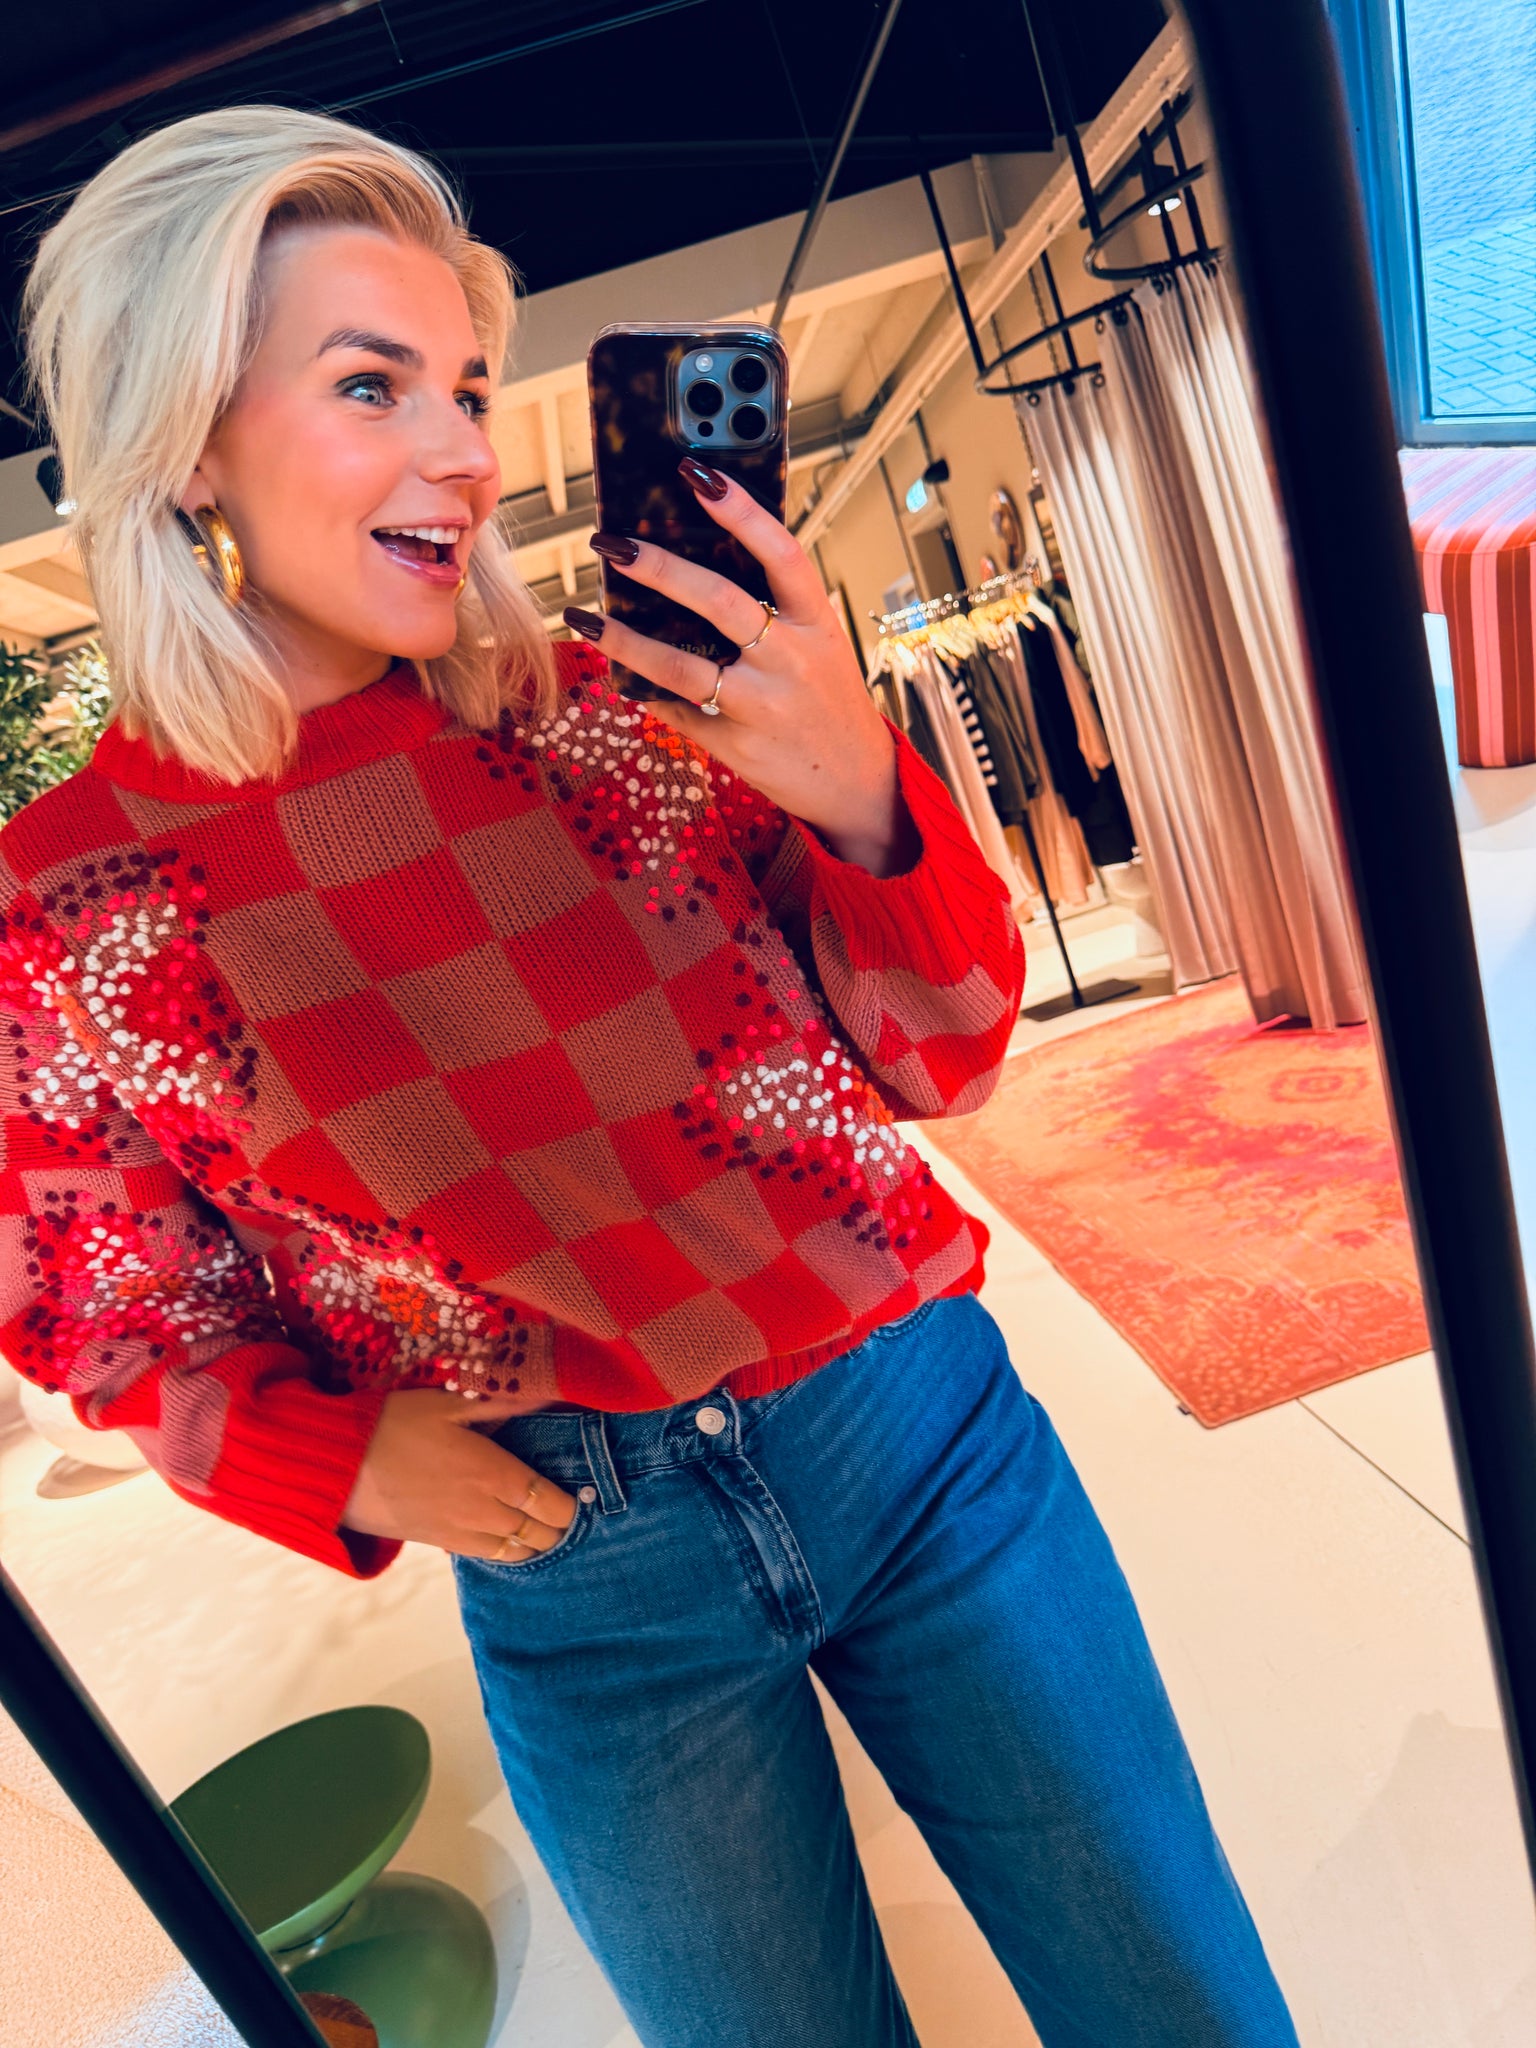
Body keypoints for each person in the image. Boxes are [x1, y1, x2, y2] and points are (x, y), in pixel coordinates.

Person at [2, 106, 1300, 2048]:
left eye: (466, 386)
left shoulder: (619, 712)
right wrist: (331, 1453)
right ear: (186, 439)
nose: (464, 446)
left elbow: (944, 1053)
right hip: (576, 1563)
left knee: (1177, 1997)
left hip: (910, 1426)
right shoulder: (62, 900)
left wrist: (859, 787)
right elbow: (101, 1299)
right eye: (371, 385)